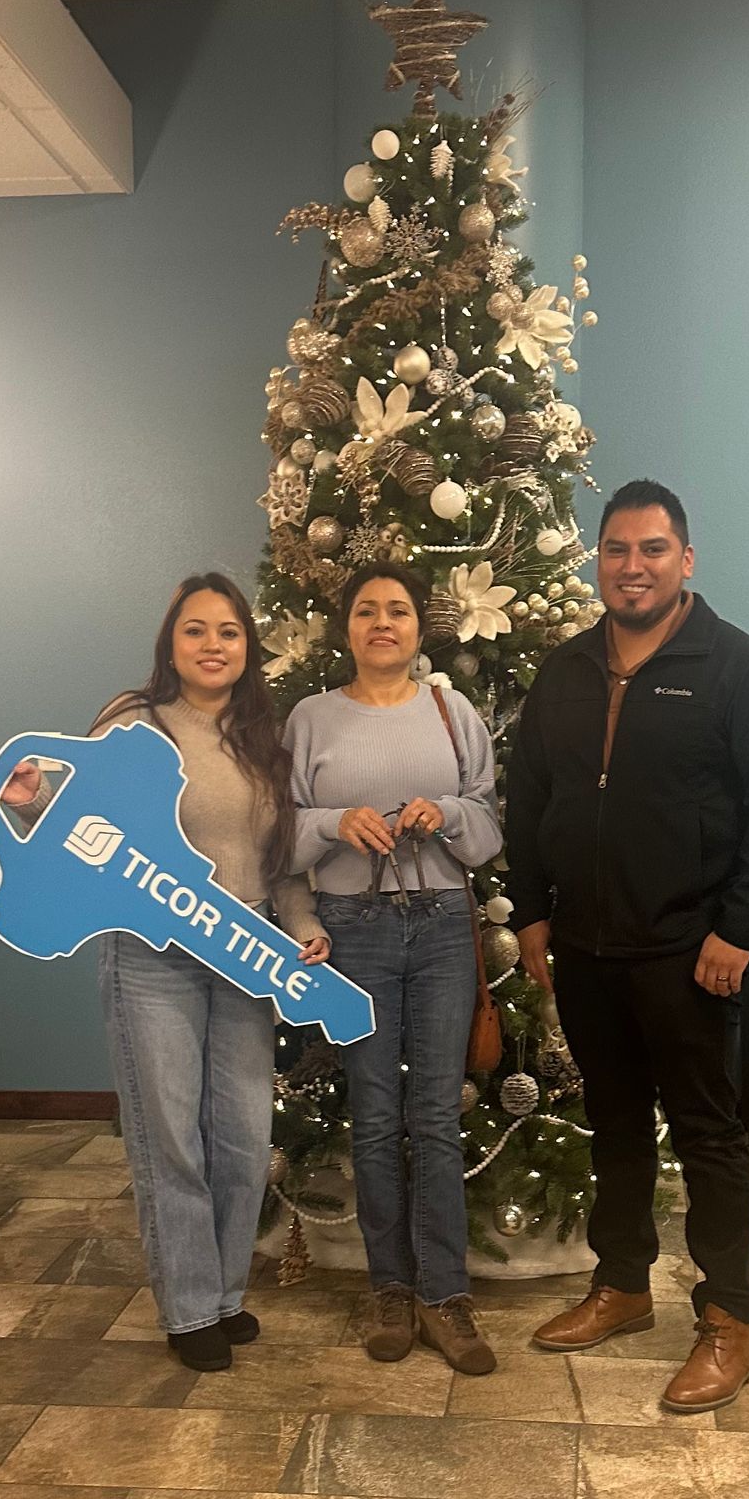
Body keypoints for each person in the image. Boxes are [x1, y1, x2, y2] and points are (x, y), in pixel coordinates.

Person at [506, 479, 749, 1413]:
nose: (630, 566)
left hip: (692, 950)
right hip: (588, 950)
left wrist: (738, 928)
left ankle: (729, 1319)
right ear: (596, 559)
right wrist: (529, 914)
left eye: (650, 549)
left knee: (710, 1136)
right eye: (615, 550)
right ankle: (624, 1286)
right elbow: (528, 801)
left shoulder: (739, 669)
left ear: (686, 560)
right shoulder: (562, 671)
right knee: (617, 1127)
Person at [0, 573, 327, 1373]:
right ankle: (188, 1307)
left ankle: (225, 1294)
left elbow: (283, 865)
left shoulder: (265, 739)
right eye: (196, 631)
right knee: (169, 1136)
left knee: (242, 1138)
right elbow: (78, 828)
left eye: (229, 632)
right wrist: (28, 802)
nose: (213, 646)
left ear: (249, 646)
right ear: (171, 642)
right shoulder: (130, 721)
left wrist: (302, 927)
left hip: (241, 951)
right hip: (151, 959)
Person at [285, 561, 503, 1376]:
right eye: (368, 611)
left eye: (399, 611)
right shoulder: (310, 719)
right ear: (346, 628)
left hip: (444, 925)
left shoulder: (454, 712)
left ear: (420, 628)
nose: (384, 622)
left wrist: (442, 813)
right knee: (376, 1116)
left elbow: (488, 822)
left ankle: (446, 1295)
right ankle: (389, 1288)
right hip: (353, 928)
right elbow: (281, 833)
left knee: (436, 1118)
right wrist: (336, 823)